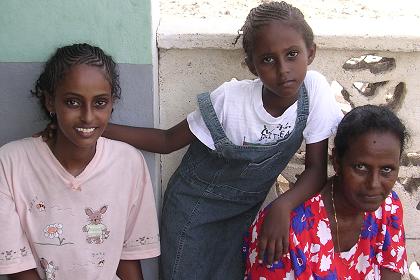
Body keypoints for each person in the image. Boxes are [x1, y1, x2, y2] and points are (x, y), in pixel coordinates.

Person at [103, 2, 343, 279]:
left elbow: (316, 170)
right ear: (251, 65)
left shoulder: (314, 93)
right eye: (267, 59)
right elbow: (168, 140)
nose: (283, 69)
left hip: (245, 217)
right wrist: (99, 128)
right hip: (193, 214)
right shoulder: (230, 102)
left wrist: (282, 205)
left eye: (292, 54)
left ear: (310, 53)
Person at [0, 43, 160, 280]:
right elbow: (18, 269)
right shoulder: (11, 163)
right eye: (73, 102)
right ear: (50, 102)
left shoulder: (128, 163)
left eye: (100, 103)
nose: (87, 116)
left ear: (112, 103)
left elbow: (127, 259)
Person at [244, 105, 409, 279]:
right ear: (336, 161)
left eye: (387, 170)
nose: (374, 184)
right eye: (360, 167)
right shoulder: (289, 229)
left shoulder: (388, 207)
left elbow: (392, 271)